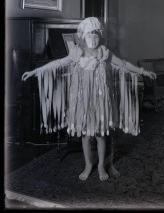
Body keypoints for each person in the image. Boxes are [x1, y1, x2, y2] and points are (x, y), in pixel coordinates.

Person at [22, 17, 156, 181]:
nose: (93, 38)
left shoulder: (105, 53)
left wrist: (143, 71)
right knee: (85, 135)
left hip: (101, 101)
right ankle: (88, 165)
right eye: (90, 35)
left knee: (100, 135)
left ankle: (101, 165)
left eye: (96, 35)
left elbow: (124, 64)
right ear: (82, 36)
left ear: (100, 36)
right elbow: (58, 63)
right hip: (82, 102)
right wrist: (35, 71)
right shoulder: (77, 53)